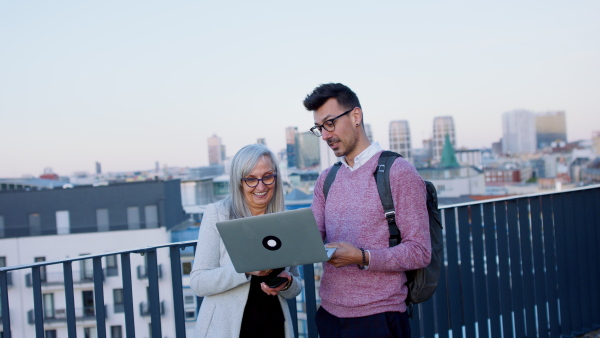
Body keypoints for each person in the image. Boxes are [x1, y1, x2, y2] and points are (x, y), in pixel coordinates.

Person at [303, 83, 431, 337]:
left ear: (356, 116)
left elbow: (420, 252)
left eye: (330, 123)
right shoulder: (326, 178)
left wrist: (363, 257)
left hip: (379, 317)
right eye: (319, 128)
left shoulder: (398, 172)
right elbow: (310, 236)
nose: (326, 135)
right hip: (329, 315)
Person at [189, 143, 302, 338]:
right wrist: (244, 268)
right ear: (238, 182)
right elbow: (199, 282)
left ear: (276, 176)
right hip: (226, 329)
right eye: (251, 179)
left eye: (267, 176)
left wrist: (287, 283)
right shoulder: (218, 213)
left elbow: (295, 287)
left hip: (273, 326)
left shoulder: (283, 220)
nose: (261, 186)